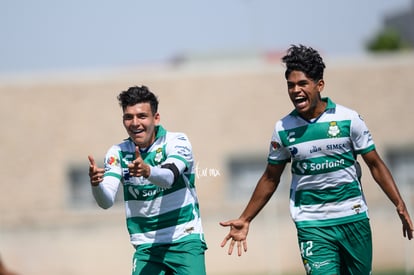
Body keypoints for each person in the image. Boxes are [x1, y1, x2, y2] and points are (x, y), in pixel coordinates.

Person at [220, 45, 413, 274]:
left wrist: (399, 205)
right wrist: (246, 218)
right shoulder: (283, 128)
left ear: (319, 85)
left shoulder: (349, 119)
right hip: (311, 224)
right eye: (290, 85)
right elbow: (271, 178)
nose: (296, 90)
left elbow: (375, 165)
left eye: (302, 84)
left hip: (353, 218)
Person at [88, 86, 207, 275]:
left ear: (156, 118)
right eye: (129, 117)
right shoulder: (117, 153)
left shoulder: (177, 141)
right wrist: (95, 185)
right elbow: (106, 202)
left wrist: (147, 170)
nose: (135, 123)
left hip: (184, 239)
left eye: (142, 116)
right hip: (146, 245)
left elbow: (169, 177)